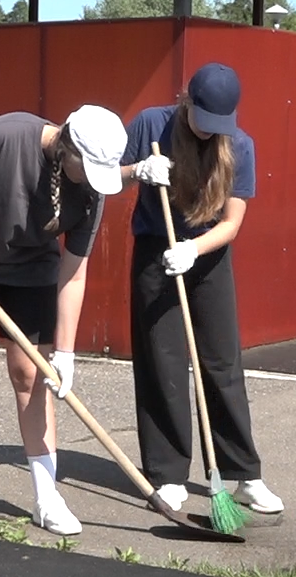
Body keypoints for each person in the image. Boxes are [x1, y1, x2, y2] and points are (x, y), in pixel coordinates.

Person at [0, 105, 129, 534]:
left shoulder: (91, 194)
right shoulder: (3, 135)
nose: (90, 180)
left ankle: (46, 498)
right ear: (68, 148)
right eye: (87, 167)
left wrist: (65, 352)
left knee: (32, 377)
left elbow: (73, 273)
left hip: (33, 271)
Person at [120, 63, 283, 516]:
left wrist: (194, 249)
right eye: (203, 121)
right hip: (157, 249)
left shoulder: (240, 146)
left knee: (221, 361)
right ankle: (167, 475)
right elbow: (106, 180)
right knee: (163, 362)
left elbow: (231, 223)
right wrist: (137, 170)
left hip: (206, 253)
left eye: (219, 126)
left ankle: (244, 473)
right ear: (186, 102)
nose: (211, 134)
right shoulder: (153, 124)